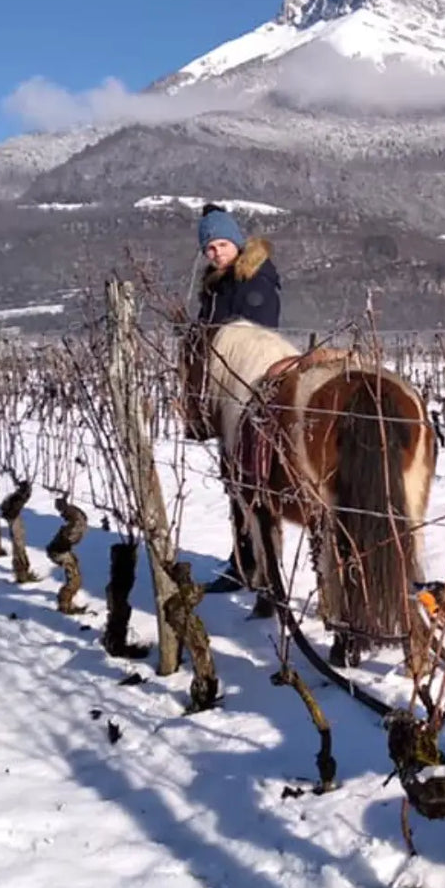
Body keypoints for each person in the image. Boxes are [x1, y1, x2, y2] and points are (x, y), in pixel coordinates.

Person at [194, 203, 282, 595]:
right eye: (209, 248)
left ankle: (255, 564)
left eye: (222, 244)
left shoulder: (255, 281)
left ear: (237, 242)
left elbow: (258, 336)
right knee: (236, 481)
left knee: (249, 479)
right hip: (226, 388)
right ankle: (244, 562)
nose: (216, 253)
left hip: (252, 385)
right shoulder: (217, 285)